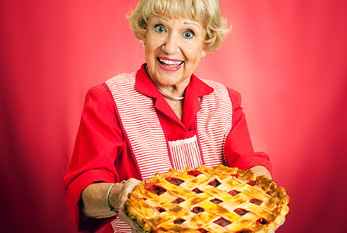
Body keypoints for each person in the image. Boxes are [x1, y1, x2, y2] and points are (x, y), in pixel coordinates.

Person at [63, 0, 272, 232]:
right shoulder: (107, 99)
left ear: (206, 44)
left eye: (189, 33)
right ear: (144, 31)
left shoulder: (226, 101)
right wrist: (116, 195)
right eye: (160, 28)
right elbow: (84, 195)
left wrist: (259, 175)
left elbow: (246, 164)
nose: (170, 47)